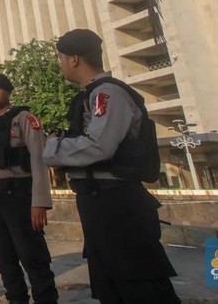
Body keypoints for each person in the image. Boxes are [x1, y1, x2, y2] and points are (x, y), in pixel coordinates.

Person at [42, 28, 180, 304]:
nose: (61, 65)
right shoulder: (91, 95)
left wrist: (50, 148)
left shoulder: (108, 94)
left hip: (117, 202)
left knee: (139, 286)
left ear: (74, 59)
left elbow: (99, 145)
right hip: (99, 203)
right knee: (112, 287)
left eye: (61, 58)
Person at [0, 72, 58, 304]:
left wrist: (39, 202)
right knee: (1, 255)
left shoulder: (25, 118)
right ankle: (17, 298)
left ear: (8, 91)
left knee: (32, 256)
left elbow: (39, 161)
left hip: (19, 194)